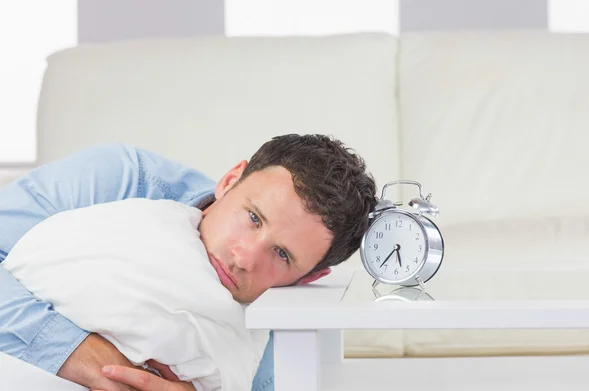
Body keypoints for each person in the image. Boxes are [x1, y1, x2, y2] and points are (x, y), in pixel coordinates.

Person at [0, 133, 378, 391]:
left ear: (311, 277)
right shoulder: (122, 178)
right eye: (253, 218)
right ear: (230, 180)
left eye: (281, 255)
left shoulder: (279, 344)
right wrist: (80, 354)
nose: (244, 258)